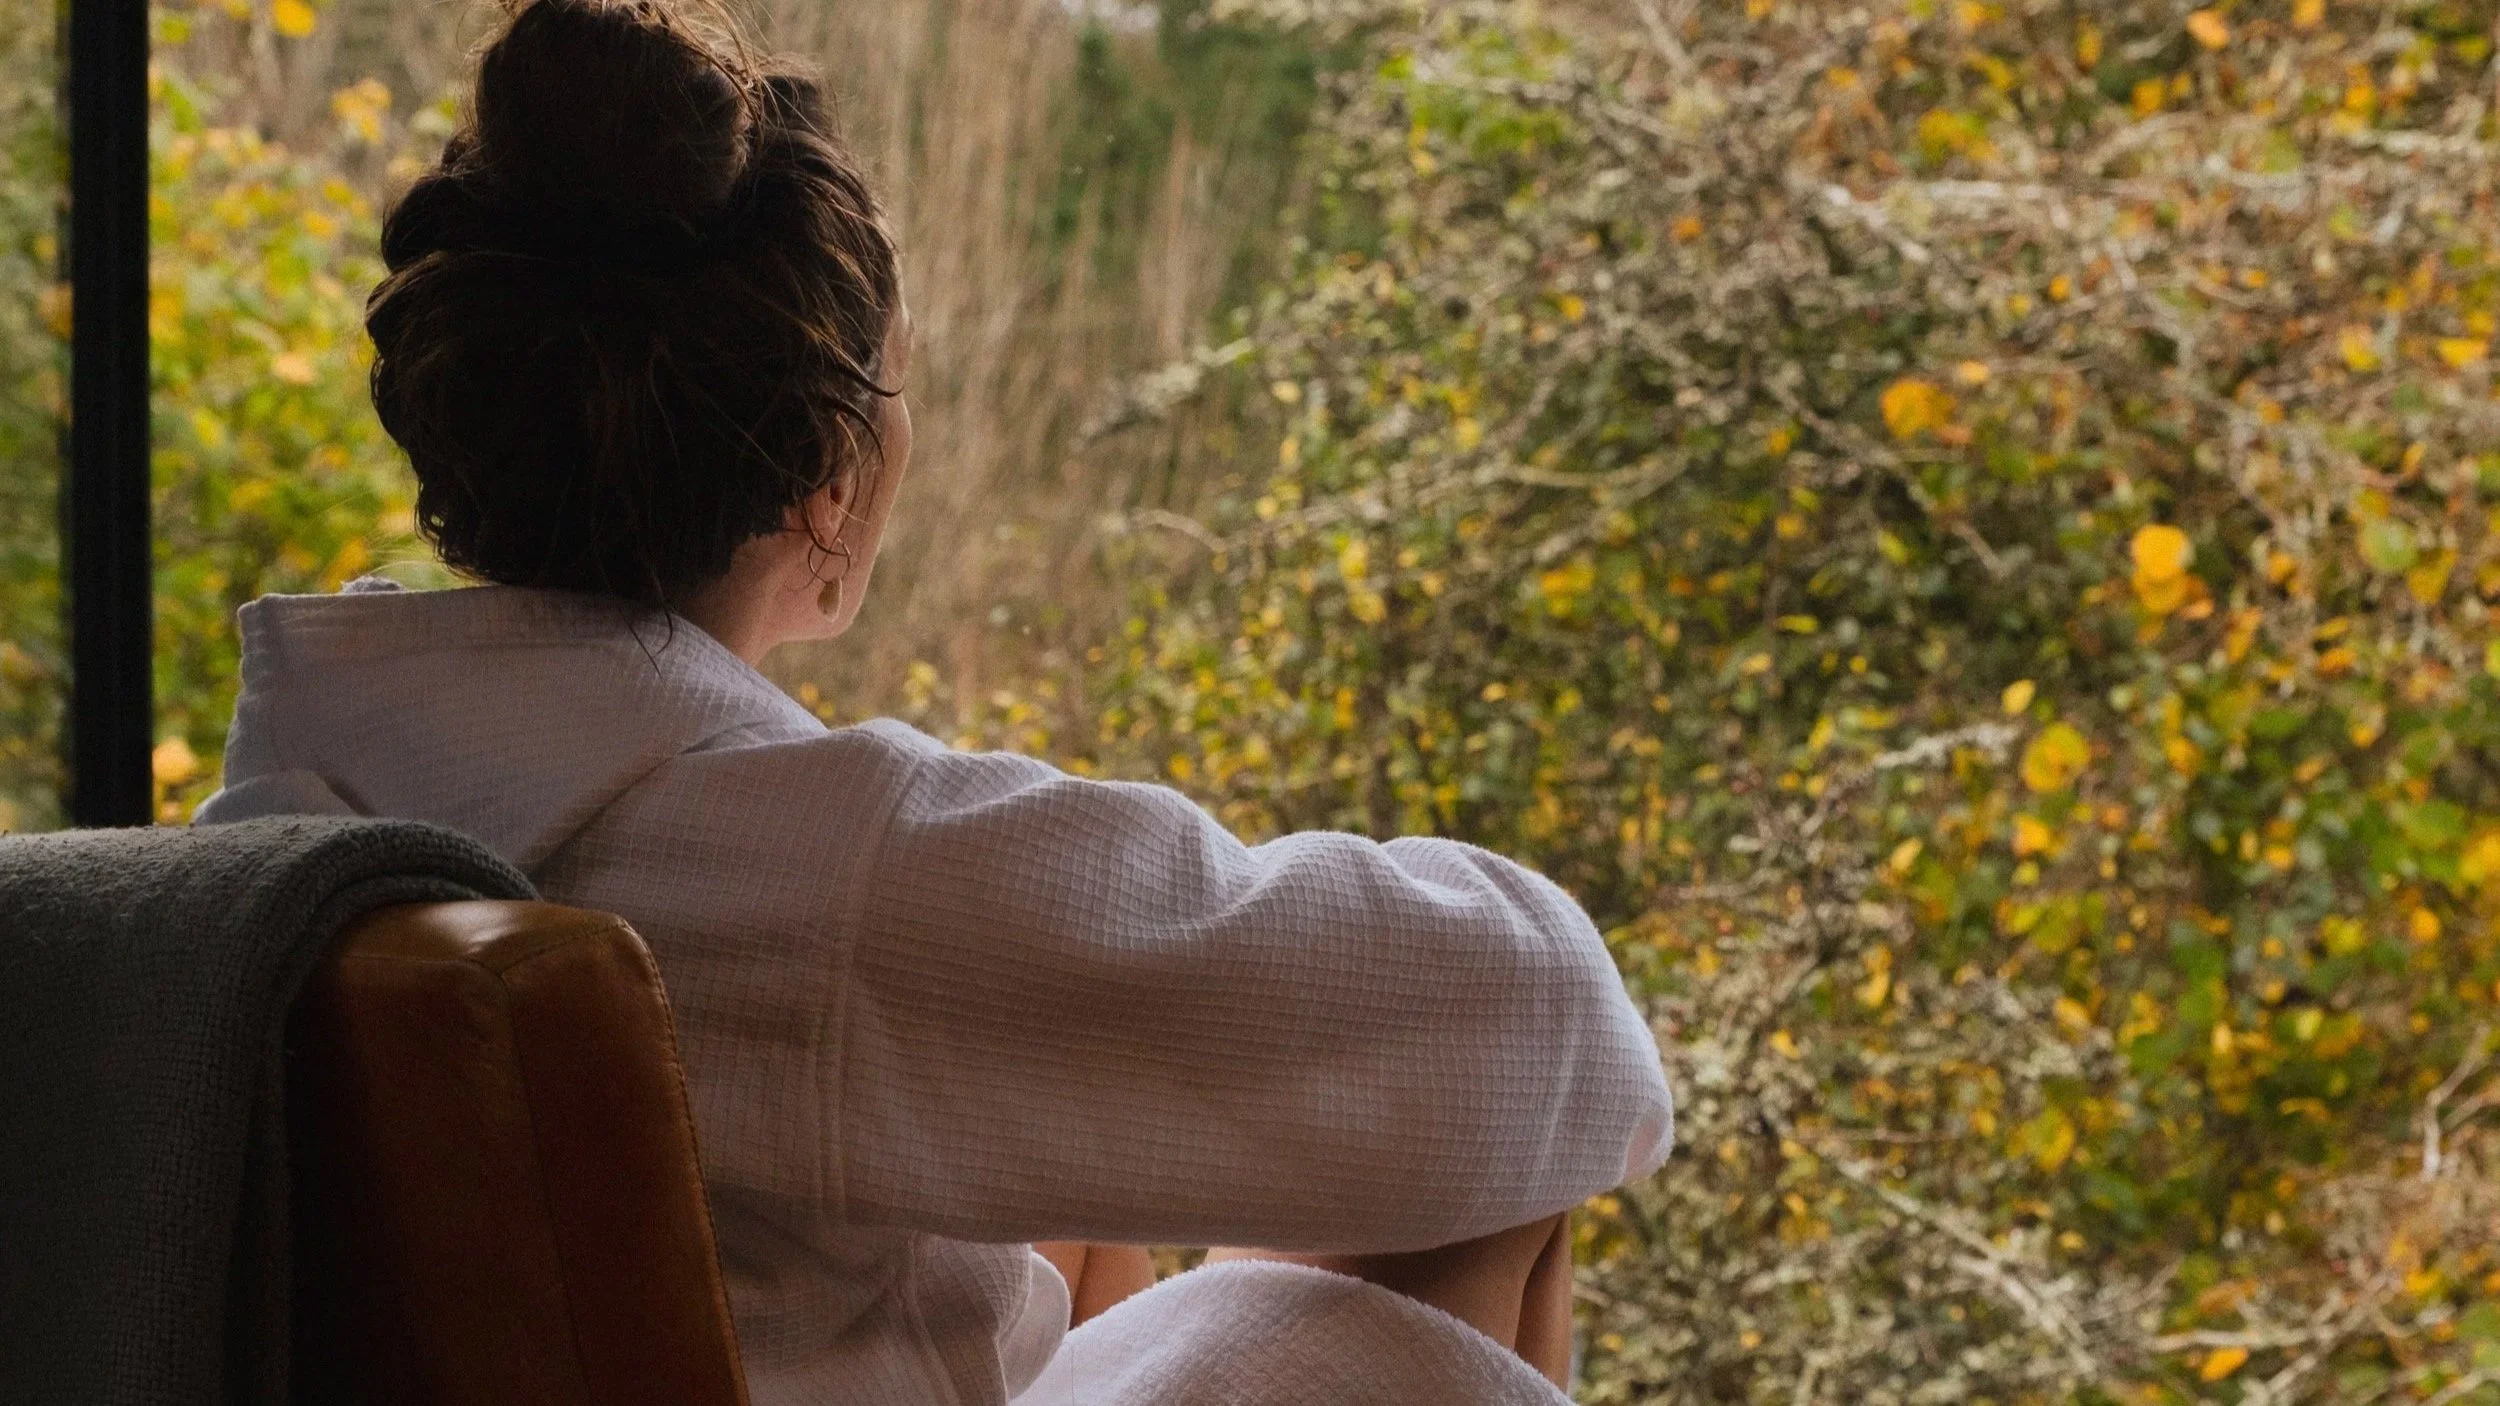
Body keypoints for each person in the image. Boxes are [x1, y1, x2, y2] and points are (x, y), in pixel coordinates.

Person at [197, 1, 1674, 1400]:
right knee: (1485, 1185)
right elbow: (1541, 1030)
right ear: (832, 473)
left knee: (1076, 1204)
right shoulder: (824, 872)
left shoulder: (285, 808)